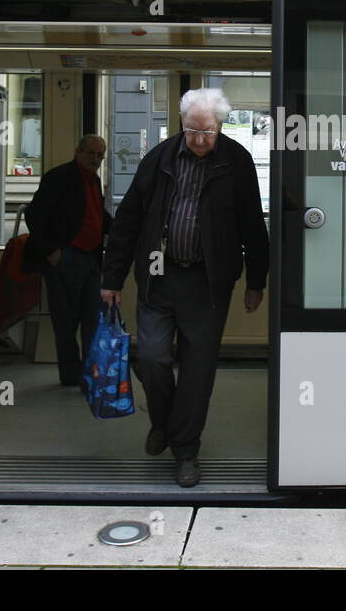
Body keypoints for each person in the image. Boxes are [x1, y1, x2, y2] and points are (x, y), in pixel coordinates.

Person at [100, 88, 268, 489]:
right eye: (192, 130)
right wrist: (111, 278)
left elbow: (252, 226)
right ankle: (163, 422)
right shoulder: (157, 160)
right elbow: (127, 221)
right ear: (180, 123)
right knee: (153, 358)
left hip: (208, 283)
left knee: (198, 371)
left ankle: (186, 451)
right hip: (159, 276)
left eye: (206, 132)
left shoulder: (236, 161)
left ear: (221, 125)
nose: (198, 140)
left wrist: (256, 282)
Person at [22, 134, 111, 388]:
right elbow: (35, 215)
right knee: (66, 320)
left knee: (93, 317)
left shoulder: (93, 180)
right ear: (78, 151)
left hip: (91, 258)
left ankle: (90, 373)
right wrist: (51, 251)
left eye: (100, 156)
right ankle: (71, 375)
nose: (96, 159)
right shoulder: (59, 177)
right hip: (66, 256)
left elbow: (97, 216)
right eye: (91, 153)